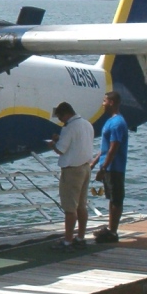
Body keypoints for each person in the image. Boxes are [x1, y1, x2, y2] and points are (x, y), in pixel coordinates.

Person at [47, 101, 95, 250]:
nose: (60, 120)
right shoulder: (87, 124)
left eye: (60, 117)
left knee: (70, 208)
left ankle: (68, 241)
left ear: (66, 114)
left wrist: (53, 144)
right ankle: (80, 237)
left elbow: (61, 150)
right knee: (82, 205)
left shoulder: (68, 128)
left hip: (72, 170)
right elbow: (78, 145)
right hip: (86, 167)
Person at [93, 90, 128, 243]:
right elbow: (105, 147)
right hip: (108, 166)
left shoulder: (118, 123)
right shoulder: (109, 121)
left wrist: (103, 168)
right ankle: (110, 228)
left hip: (115, 167)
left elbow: (114, 147)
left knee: (116, 199)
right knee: (111, 198)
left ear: (111, 103)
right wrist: (94, 162)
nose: (102, 104)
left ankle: (113, 232)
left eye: (104, 101)